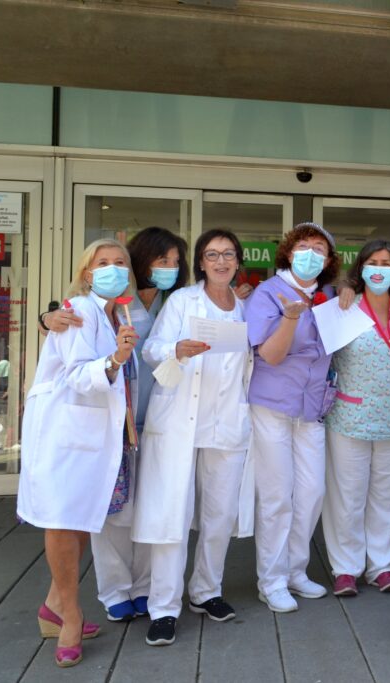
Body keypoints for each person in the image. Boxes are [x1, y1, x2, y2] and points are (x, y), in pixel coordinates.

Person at [43, 227, 189, 623]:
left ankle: (144, 586)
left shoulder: (176, 302)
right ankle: (114, 590)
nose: (168, 269)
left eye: (175, 263)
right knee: (110, 512)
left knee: (146, 508)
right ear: (142, 263)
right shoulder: (108, 306)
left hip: (156, 419)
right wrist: (46, 317)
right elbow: (70, 334)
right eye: (161, 261)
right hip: (113, 422)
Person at [17, 238, 140, 667]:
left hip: (94, 436)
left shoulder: (115, 312)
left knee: (81, 518)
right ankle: (70, 616)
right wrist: (114, 360)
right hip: (64, 433)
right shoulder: (78, 309)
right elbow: (76, 374)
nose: (112, 268)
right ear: (87, 273)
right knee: (62, 520)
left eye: (119, 262)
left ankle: (53, 604)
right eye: (102, 263)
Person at [133, 228, 254, 647]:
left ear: (238, 261)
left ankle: (206, 591)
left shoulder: (244, 307)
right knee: (174, 516)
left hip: (227, 424)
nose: (221, 261)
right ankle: (164, 607)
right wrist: (177, 349)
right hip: (180, 423)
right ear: (200, 263)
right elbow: (152, 349)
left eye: (228, 254)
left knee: (219, 515)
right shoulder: (183, 301)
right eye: (211, 254)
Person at [246, 222, 339, 613]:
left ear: (329, 260)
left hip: (313, 408)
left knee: (312, 492)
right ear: (287, 251)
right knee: (276, 496)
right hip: (273, 405)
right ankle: (271, 580)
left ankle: (295, 570)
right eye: (304, 246)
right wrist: (289, 318)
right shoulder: (268, 293)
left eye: (320, 248)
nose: (311, 253)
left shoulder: (329, 296)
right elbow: (269, 354)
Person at [322, 239, 390, 596]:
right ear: (361, 268)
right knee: (346, 495)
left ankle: (381, 566)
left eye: (387, 262)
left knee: (388, 495)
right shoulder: (343, 305)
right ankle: (345, 568)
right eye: (373, 262)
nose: (379, 268)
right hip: (349, 415)